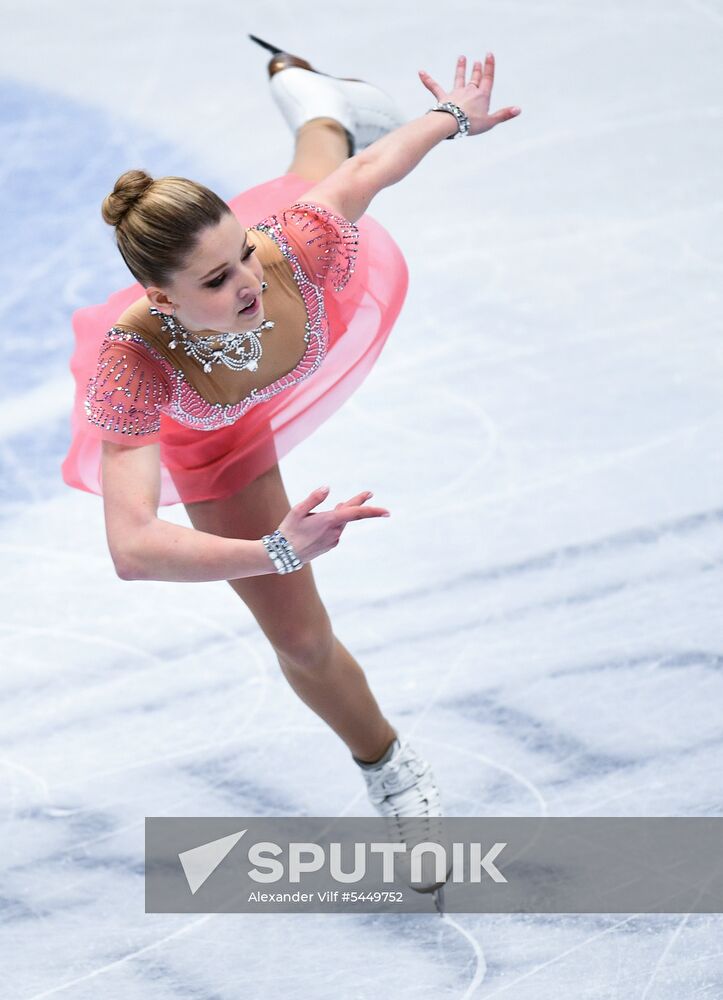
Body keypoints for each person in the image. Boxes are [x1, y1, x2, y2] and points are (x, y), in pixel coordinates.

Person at [60, 36, 521, 895]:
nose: (244, 281)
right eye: (214, 278)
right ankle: (387, 767)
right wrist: (275, 549)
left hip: (309, 300)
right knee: (303, 640)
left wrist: (452, 117)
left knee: (311, 179)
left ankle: (318, 102)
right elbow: (132, 545)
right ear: (160, 300)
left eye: (240, 255)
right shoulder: (135, 364)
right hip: (217, 437)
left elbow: (374, 169)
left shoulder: (285, 248)